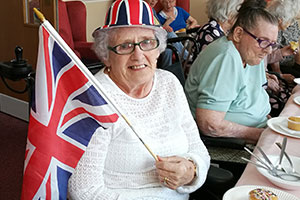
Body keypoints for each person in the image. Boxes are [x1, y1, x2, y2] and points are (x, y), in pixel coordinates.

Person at [67, 0, 210, 199]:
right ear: (106, 54)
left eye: (147, 42)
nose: (138, 54)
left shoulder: (169, 84)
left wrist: (191, 170)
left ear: (158, 48)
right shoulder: (95, 100)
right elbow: (84, 191)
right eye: (125, 45)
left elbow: (198, 148)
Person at [184, 1, 279, 144]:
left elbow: (254, 98)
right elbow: (210, 124)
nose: (268, 50)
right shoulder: (226, 57)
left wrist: (268, 122)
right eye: (264, 41)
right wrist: (261, 135)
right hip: (232, 144)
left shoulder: (252, 54)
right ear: (238, 34)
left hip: (261, 129)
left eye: (272, 44)